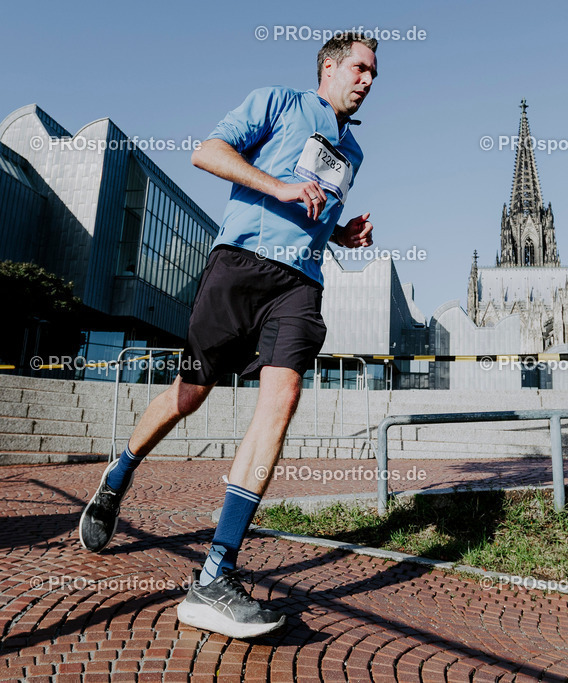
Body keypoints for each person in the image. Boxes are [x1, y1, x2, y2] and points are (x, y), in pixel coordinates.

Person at [78, 33, 378, 639]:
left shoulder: (354, 150)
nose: (368, 80)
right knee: (189, 396)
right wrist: (278, 186)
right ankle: (118, 474)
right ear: (328, 67)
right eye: (360, 68)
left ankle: (216, 573)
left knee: (283, 397)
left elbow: (313, 213)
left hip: (301, 283)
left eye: (374, 73)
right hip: (240, 265)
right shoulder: (277, 102)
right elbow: (207, 152)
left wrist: (340, 234)